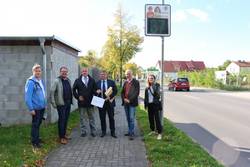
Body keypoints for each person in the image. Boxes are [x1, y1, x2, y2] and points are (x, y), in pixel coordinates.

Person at [25, 64, 46, 148]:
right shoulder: (30, 82)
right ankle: (34, 142)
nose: (38, 72)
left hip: (41, 107)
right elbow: (27, 97)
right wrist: (31, 109)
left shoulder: (40, 80)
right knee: (35, 125)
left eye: (39, 71)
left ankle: (36, 138)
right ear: (33, 72)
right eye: (36, 71)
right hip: (35, 108)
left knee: (38, 124)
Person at [50, 66, 73, 144]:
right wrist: (53, 103)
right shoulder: (57, 81)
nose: (64, 73)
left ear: (67, 72)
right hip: (61, 104)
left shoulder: (68, 80)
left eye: (65, 71)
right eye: (63, 71)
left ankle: (64, 134)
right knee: (62, 120)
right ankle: (61, 137)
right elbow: (52, 92)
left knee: (66, 120)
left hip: (68, 103)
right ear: (60, 72)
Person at [73, 67, 97, 137]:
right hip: (82, 102)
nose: (84, 72)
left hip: (90, 102)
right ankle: (83, 131)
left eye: (85, 71)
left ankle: (93, 131)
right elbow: (74, 90)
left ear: (88, 72)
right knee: (82, 118)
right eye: (83, 71)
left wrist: (97, 92)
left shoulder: (92, 80)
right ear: (81, 72)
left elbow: (95, 89)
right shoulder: (77, 80)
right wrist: (78, 97)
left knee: (91, 117)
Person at [96, 70, 118, 138]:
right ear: (100, 75)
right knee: (102, 118)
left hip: (110, 103)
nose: (102, 75)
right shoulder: (97, 83)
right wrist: (96, 91)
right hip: (101, 102)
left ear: (106, 75)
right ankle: (103, 131)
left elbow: (115, 91)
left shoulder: (111, 82)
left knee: (111, 117)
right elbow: (94, 92)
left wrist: (110, 97)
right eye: (101, 74)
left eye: (104, 74)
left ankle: (113, 132)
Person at [121, 69, 140, 140]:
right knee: (128, 118)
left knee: (132, 118)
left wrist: (129, 100)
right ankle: (129, 131)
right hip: (126, 103)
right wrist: (124, 99)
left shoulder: (136, 82)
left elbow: (136, 93)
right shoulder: (125, 82)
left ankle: (131, 133)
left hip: (132, 103)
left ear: (132, 74)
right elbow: (122, 92)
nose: (127, 75)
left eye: (129, 74)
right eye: (126, 74)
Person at [144, 74, 163, 140]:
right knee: (150, 118)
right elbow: (146, 97)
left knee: (157, 119)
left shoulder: (157, 85)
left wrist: (151, 88)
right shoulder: (147, 87)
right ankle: (152, 130)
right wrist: (145, 105)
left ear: (154, 79)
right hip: (149, 105)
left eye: (152, 78)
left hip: (155, 104)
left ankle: (159, 133)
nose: (150, 79)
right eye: (149, 78)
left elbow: (157, 95)